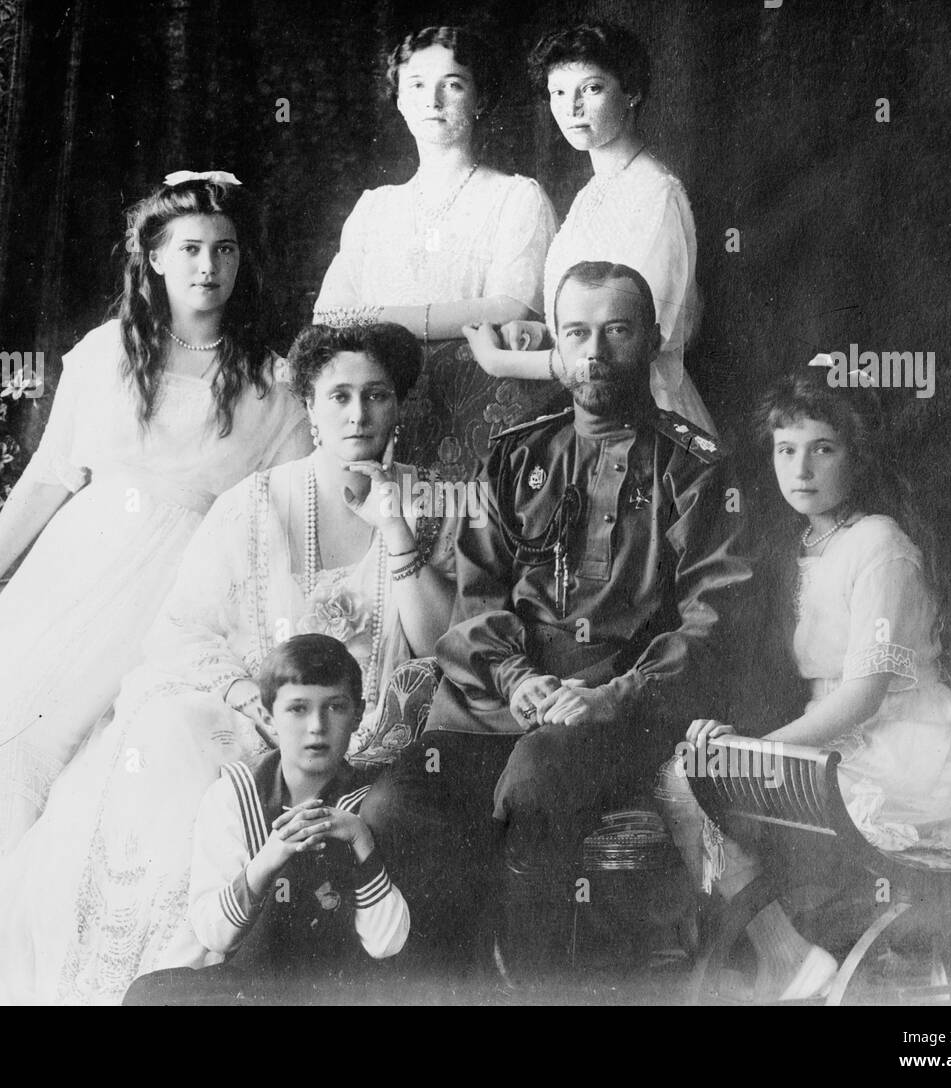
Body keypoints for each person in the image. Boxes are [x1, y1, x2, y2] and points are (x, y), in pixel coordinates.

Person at [0, 321, 454, 1005]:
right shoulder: (254, 503)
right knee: (172, 749)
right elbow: (181, 629)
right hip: (254, 713)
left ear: (398, 406)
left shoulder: (431, 502)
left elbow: (434, 639)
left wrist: (395, 527)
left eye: (376, 396)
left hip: (370, 726)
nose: (358, 414)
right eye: (339, 395)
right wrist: (236, 692)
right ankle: (165, 982)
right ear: (308, 406)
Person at [0, 171, 312, 902]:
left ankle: (53, 934)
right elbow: (48, 477)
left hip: (181, 588)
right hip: (76, 567)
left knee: (82, 757)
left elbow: (290, 516)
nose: (208, 268)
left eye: (225, 250)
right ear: (153, 256)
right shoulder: (106, 354)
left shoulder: (270, 383)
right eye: (188, 249)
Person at [360, 261, 751, 982]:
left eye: (617, 331)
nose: (595, 352)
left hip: (618, 716)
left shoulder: (695, 470)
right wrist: (517, 680)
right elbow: (477, 602)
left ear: (653, 338)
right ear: (559, 346)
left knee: (534, 781)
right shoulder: (517, 456)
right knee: (394, 808)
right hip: (495, 710)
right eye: (577, 332)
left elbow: (712, 622)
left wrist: (611, 696)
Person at [654, 367, 951, 1001]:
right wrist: (729, 736)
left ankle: (792, 958)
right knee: (687, 776)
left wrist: (756, 746)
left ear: (857, 455)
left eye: (823, 448)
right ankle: (786, 954)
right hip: (836, 742)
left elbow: (863, 695)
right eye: (785, 450)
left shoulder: (880, 543)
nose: (801, 469)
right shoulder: (795, 545)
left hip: (908, 752)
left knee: (694, 779)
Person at [314, 24, 558, 480]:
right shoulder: (375, 207)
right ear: (401, 101)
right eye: (418, 86)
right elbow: (328, 317)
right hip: (379, 418)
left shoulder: (517, 198)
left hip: (477, 423)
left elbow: (511, 307)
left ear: (480, 99)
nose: (433, 100)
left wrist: (382, 315)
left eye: (453, 84)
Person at [122, 634, 409, 1006]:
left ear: (358, 714)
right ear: (269, 716)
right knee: (149, 994)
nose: (317, 727)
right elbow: (215, 936)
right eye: (298, 709)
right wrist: (269, 857)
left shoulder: (371, 803)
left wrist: (361, 840)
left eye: (335, 707)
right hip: (251, 984)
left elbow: (388, 944)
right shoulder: (235, 795)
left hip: (340, 988)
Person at [462, 21, 713, 431]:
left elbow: (620, 351)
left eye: (591, 89)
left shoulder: (654, 195)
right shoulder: (593, 192)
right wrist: (543, 331)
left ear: (631, 93)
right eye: (558, 92)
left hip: (640, 416)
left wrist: (499, 360)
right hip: (586, 410)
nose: (571, 107)